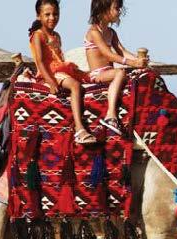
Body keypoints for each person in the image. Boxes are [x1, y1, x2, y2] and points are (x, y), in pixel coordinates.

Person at [29, 0, 95, 144]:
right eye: (47, 14)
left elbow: (59, 57)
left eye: (55, 14)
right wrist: (51, 81)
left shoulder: (57, 35)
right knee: (75, 85)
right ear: (38, 16)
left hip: (59, 69)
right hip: (48, 73)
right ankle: (79, 128)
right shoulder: (37, 35)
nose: (52, 17)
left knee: (89, 79)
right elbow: (40, 61)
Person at [85, 0, 148, 134]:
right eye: (116, 8)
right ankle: (110, 114)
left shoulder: (111, 32)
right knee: (120, 73)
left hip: (110, 73)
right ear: (103, 9)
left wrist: (139, 61)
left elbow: (122, 51)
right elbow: (108, 55)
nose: (119, 11)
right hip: (98, 74)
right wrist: (131, 63)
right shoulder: (94, 32)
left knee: (139, 74)